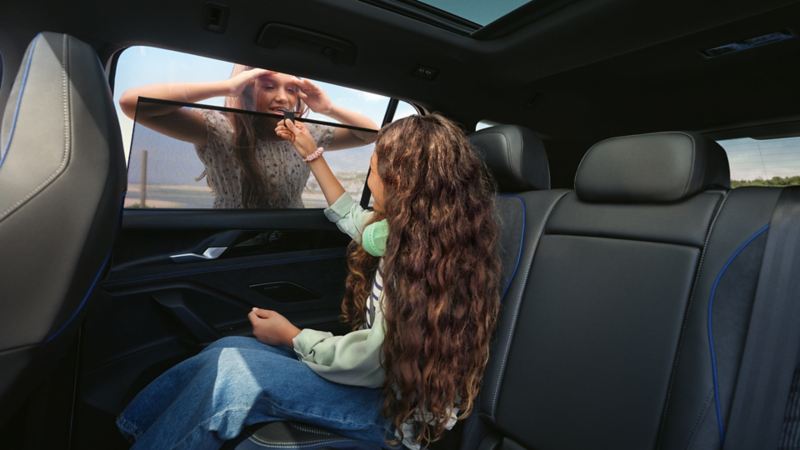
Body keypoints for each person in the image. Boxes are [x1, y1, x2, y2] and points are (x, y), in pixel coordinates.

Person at [116, 114, 501, 449]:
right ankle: (133, 433)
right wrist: (311, 154)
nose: (370, 179)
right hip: (380, 386)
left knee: (235, 380)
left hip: (395, 417)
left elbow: (372, 360)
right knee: (228, 348)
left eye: (373, 169)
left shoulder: (425, 268)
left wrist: (292, 336)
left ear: (400, 183)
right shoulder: (405, 236)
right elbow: (351, 217)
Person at [118, 64, 378, 208]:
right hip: (231, 241)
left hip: (291, 238)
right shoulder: (219, 129)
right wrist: (226, 87)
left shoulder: (305, 134)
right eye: (268, 86)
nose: (282, 97)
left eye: (291, 89)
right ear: (248, 90)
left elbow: (370, 134)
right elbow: (132, 103)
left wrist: (328, 108)